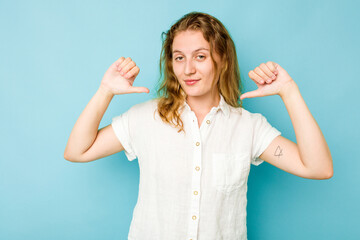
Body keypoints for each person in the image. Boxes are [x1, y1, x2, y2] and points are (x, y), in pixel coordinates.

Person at [64, 11, 333, 240]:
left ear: (222, 60)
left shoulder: (249, 127)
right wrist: (105, 92)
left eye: (200, 57)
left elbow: (318, 167)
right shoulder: (144, 118)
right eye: (179, 57)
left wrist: (289, 91)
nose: (188, 69)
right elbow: (77, 151)